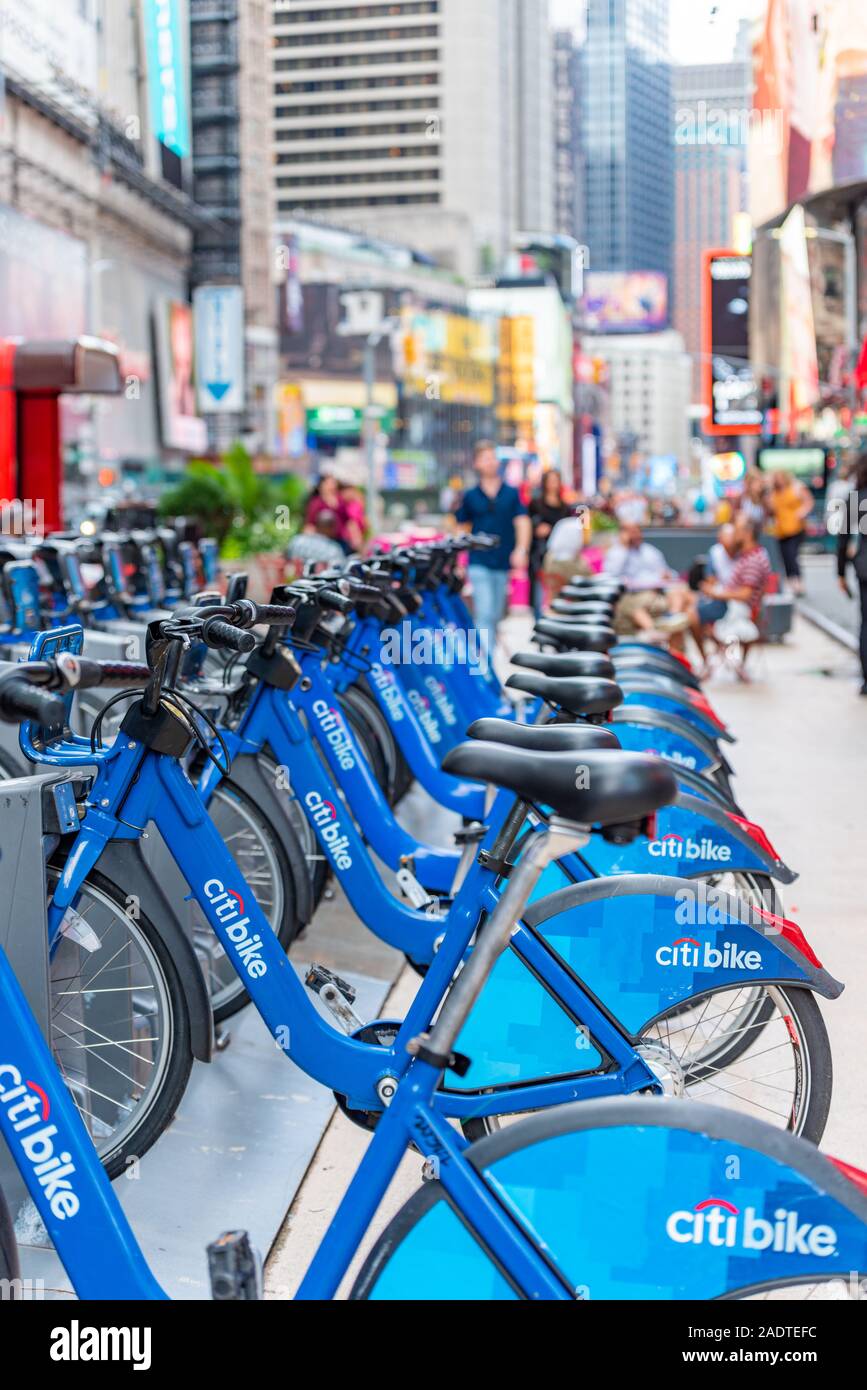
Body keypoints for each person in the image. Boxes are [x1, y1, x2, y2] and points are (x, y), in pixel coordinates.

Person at [455, 440, 530, 657]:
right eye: (485, 458)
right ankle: (484, 660)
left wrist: (521, 549)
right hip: (478, 560)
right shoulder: (470, 495)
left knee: (496, 613)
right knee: (485, 610)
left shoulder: (511, 492)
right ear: (477, 463)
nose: (490, 462)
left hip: (503, 559)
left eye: (493, 457)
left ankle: (488, 653)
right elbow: (462, 528)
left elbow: (522, 521)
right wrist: (459, 560)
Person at [701, 514, 772, 681]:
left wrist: (715, 593)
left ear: (747, 533)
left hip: (739, 610)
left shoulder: (753, 559)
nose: (734, 533)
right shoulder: (749, 554)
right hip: (734, 607)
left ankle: (711, 664)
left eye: (737, 529)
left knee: (693, 616)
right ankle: (728, 662)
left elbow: (745, 594)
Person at [604, 522, 688, 642]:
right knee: (634, 606)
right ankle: (654, 632)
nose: (635, 535)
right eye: (631, 532)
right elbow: (611, 574)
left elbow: (667, 571)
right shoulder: (616, 552)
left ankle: (672, 617)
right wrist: (625, 547)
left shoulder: (650, 551)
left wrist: (667, 575)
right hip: (632, 594)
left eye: (637, 531)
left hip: (657, 591)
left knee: (681, 591)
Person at [837, 451, 867, 694]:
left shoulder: (857, 497)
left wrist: (840, 573)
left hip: (864, 567)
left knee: (866, 622)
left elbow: (843, 537)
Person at [688, 523, 738, 666]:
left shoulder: (744, 555)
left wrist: (720, 591)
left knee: (693, 616)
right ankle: (708, 656)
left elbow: (741, 591)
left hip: (737, 606)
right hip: (720, 601)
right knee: (691, 615)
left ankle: (721, 652)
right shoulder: (715, 552)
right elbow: (710, 582)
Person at [528, 471, 573, 614]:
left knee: (557, 594)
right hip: (539, 555)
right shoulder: (535, 504)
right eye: (550, 480)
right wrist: (536, 529)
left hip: (559, 558)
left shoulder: (565, 508)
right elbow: (528, 526)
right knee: (539, 596)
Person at [768, 470, 812, 596]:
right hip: (780, 529)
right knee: (784, 557)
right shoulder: (774, 493)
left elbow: (808, 501)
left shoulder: (796, 487)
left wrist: (802, 512)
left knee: (792, 554)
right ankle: (790, 582)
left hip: (795, 528)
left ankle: (798, 582)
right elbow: (771, 510)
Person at [286, 509, 345, 574]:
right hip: (319, 583)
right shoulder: (333, 549)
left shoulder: (297, 540)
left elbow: (285, 560)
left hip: (294, 582)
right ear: (331, 528)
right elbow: (338, 571)